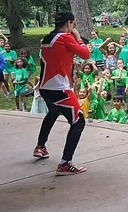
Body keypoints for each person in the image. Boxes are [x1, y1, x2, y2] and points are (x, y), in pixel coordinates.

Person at [34, 11, 90, 176]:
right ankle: (65, 163)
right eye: (73, 25)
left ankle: (40, 146)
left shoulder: (47, 38)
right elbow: (85, 53)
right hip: (59, 88)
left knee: (53, 112)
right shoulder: (65, 37)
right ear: (69, 23)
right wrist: (78, 37)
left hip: (45, 87)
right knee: (78, 122)